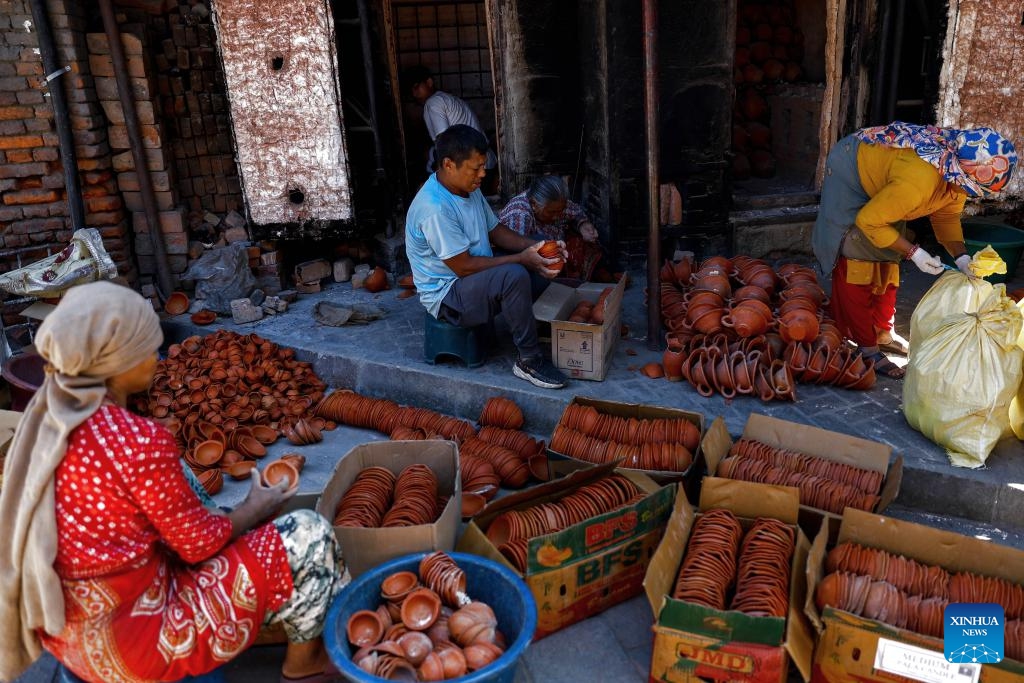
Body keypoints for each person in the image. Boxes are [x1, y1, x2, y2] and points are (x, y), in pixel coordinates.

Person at [0, 281, 349, 683]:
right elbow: (199, 546)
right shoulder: (139, 442)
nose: (157, 358)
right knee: (308, 535)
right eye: (148, 349)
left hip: (69, 631)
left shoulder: (45, 423)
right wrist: (256, 506)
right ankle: (303, 666)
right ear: (119, 362)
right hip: (138, 642)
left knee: (193, 493)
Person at [811, 121, 1017, 379]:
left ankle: (883, 331)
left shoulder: (956, 173)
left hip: (890, 178)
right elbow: (868, 221)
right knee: (858, 257)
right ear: (959, 174)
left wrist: (961, 256)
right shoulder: (920, 180)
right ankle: (865, 347)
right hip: (850, 168)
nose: (971, 195)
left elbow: (946, 217)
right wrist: (914, 253)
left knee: (888, 256)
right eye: (972, 190)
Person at [406, 124, 568, 390]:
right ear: (448, 164)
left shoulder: (468, 188)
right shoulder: (434, 208)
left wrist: (539, 247)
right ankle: (529, 359)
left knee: (540, 267)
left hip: (471, 278)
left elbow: (497, 231)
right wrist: (521, 259)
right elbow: (464, 266)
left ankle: (529, 325)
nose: (483, 173)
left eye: (483, 166)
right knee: (514, 274)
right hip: (449, 296)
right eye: (475, 168)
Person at [498, 175, 616, 282]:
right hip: (530, 262)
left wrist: (583, 224)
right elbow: (519, 253)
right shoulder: (519, 214)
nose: (557, 216)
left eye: (561, 210)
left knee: (582, 242)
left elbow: (576, 212)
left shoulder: (556, 203)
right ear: (534, 204)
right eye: (551, 212)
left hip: (556, 248)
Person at [406, 65, 498, 187]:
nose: (414, 94)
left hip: (472, 171)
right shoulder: (446, 98)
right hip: (486, 165)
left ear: (429, 82)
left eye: (417, 87)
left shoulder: (433, 103)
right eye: (411, 90)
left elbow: (444, 143)